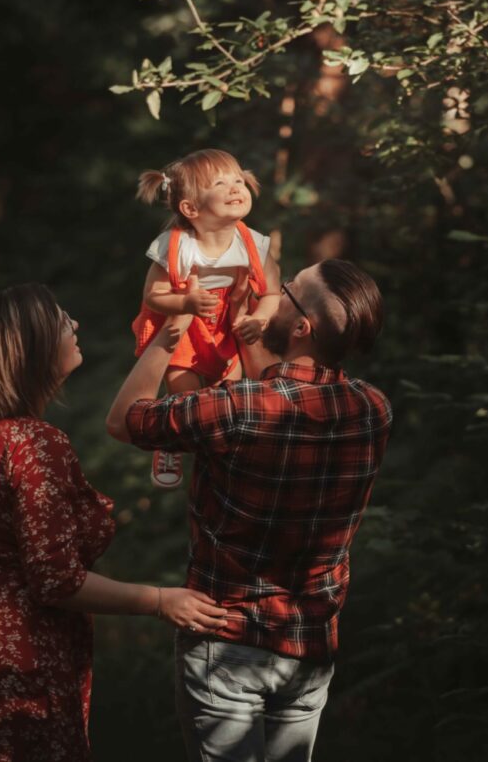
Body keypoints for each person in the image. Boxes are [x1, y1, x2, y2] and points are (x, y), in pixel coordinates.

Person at [0, 283, 227, 762]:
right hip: (13, 665)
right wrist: (162, 601)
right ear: (34, 348)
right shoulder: (36, 445)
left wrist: (173, 330)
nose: (74, 325)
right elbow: (57, 583)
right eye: (62, 321)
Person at [107, 259, 393, 762]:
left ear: (302, 326)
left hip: (227, 641)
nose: (273, 295)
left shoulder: (235, 409)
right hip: (309, 643)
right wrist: (246, 322)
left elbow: (124, 421)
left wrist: (169, 332)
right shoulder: (373, 409)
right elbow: (283, 395)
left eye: (287, 291)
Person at [132, 148, 281, 489]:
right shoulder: (177, 246)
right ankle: (170, 441)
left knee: (225, 393)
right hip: (181, 326)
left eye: (238, 180)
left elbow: (272, 292)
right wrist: (185, 301)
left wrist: (259, 318)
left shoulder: (253, 245)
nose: (235, 188)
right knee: (184, 396)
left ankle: (219, 456)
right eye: (220, 183)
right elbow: (152, 297)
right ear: (191, 208)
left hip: (225, 324)